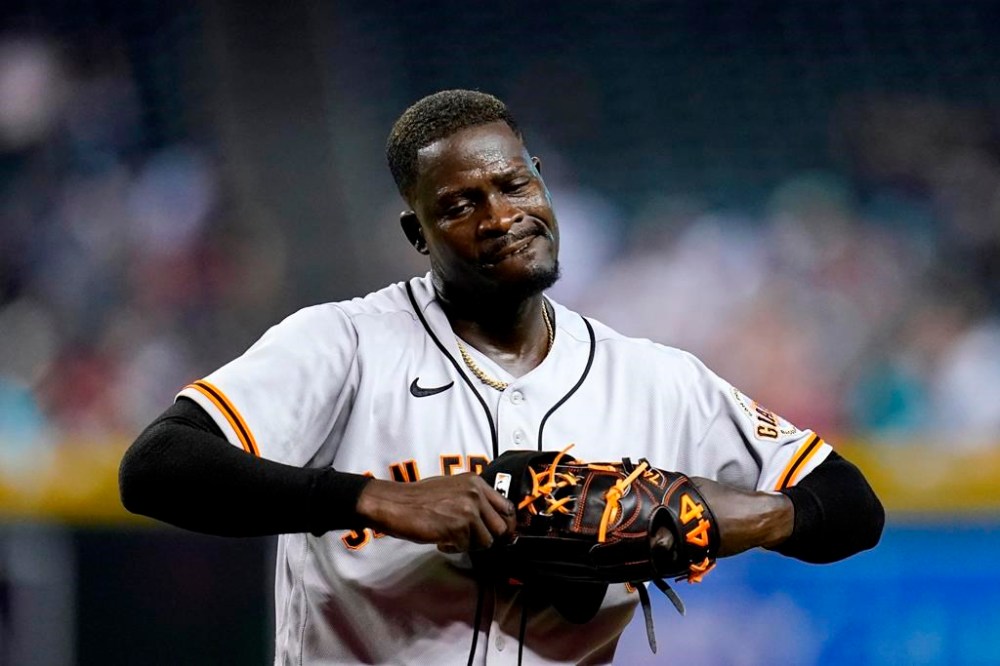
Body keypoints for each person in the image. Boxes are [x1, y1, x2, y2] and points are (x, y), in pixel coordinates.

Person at [119, 89, 884, 665]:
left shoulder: (654, 377)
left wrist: (695, 521)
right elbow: (156, 467)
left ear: (541, 182)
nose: (499, 216)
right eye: (459, 204)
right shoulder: (343, 344)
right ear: (417, 233)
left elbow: (848, 505)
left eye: (513, 184)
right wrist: (372, 498)